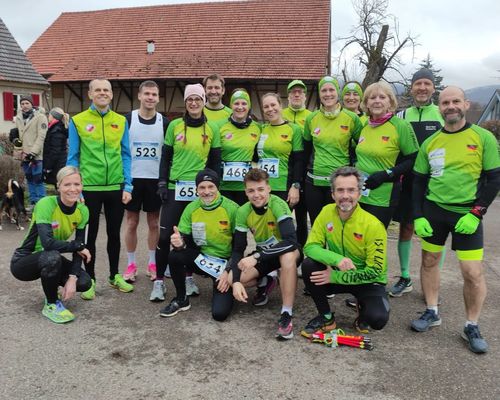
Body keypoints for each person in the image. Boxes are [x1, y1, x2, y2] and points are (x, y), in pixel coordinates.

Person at [410, 86, 500, 354]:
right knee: (429, 261)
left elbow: (494, 178)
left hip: (467, 213)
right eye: (445, 102)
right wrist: (418, 216)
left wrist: (477, 212)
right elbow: (418, 182)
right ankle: (431, 311)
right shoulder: (431, 142)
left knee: (472, 272)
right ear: (439, 107)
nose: (451, 106)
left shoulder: (483, 138)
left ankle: (471, 325)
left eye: (455, 101)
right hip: (434, 211)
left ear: (465, 104)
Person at [301, 166, 389, 337]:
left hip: (367, 280)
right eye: (340, 190)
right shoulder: (327, 211)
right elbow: (310, 247)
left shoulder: (373, 225)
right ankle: (326, 318)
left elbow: (375, 271)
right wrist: (337, 260)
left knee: (377, 319)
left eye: (351, 190)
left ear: (359, 193)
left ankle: (362, 308)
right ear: (333, 194)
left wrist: (335, 276)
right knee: (309, 265)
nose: (345, 196)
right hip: (337, 271)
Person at [153, 84, 221, 301]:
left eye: (197, 99)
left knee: (192, 237)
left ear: (203, 101)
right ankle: (159, 282)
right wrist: (162, 183)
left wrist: (212, 187)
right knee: (165, 237)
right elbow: (165, 157)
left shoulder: (212, 129)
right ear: (185, 102)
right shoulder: (174, 125)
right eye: (190, 99)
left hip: (199, 190)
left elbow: (215, 163)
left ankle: (189, 277)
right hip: (175, 187)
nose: (194, 103)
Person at [67, 78, 134, 299]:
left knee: (114, 234)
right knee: (90, 236)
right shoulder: (77, 121)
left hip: (116, 186)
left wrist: (128, 185)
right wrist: (76, 189)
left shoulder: (121, 121)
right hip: (90, 189)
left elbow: (126, 155)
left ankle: (114, 275)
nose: (102, 93)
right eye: (98, 90)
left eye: (106, 90)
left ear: (112, 94)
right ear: (90, 94)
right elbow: (73, 157)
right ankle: (91, 279)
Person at [10, 166, 92, 323]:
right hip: (24, 261)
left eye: (77, 184)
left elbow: (79, 248)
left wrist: (73, 278)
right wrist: (78, 246)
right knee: (52, 256)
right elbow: (48, 243)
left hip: (50, 257)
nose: (73, 189)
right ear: (58, 186)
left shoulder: (83, 211)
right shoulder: (46, 204)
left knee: (84, 282)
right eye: (67, 184)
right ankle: (51, 303)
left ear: (82, 186)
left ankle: (53, 285)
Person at [389, 68, 445, 297]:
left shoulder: (441, 113)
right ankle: (405, 277)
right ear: (411, 88)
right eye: (418, 84)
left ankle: (433, 284)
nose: (422, 88)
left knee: (434, 234)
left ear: (433, 88)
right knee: (406, 228)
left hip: (435, 183)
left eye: (426, 83)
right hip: (409, 183)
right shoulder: (402, 116)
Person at [229, 168, 301, 340]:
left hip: (286, 252)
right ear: (245, 192)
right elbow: (238, 249)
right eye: (251, 191)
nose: (256, 195)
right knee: (232, 279)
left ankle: (286, 314)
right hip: (265, 256)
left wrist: (256, 257)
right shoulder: (243, 211)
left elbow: (291, 241)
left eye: (260, 189)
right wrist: (237, 281)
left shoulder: (278, 204)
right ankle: (267, 280)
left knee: (288, 257)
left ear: (268, 188)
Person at [159, 169, 239, 320]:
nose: (206, 191)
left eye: (211, 187)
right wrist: (179, 243)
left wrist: (229, 271)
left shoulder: (232, 209)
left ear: (217, 188)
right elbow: (183, 244)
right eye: (202, 187)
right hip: (201, 259)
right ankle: (181, 299)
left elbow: (239, 247)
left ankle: (230, 287)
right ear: (196, 189)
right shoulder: (191, 208)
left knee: (220, 314)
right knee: (175, 255)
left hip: (224, 265)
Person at [121, 81, 169, 289]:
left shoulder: (164, 122)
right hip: (133, 179)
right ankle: (131, 264)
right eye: (147, 94)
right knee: (131, 222)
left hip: (154, 179)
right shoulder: (128, 119)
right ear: (139, 96)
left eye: (154, 94)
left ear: (158, 98)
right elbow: (121, 150)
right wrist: (125, 181)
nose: (150, 97)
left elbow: (168, 155)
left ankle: (152, 263)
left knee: (153, 223)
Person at [355, 81, 419, 228]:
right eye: (372, 98)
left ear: (390, 102)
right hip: (359, 193)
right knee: (356, 239)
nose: (377, 101)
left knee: (374, 240)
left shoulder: (400, 126)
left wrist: (385, 174)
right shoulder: (366, 126)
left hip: (383, 195)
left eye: (382, 97)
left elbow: (413, 159)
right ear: (366, 103)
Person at [303, 76, 363, 224]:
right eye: (324, 90)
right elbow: (306, 149)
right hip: (314, 182)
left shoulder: (351, 118)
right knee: (318, 225)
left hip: (340, 184)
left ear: (337, 93)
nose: (327, 94)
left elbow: (361, 147)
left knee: (338, 225)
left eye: (331, 90)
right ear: (319, 93)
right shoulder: (311, 118)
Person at [258, 93, 304, 207]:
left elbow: (299, 161)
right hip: (262, 186)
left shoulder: (294, 129)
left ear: (280, 106)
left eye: (273, 105)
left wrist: (295, 186)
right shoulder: (261, 129)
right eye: (266, 106)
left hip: (284, 187)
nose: (270, 109)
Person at [281, 79, 311, 249]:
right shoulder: (281, 113)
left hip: (304, 171)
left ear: (305, 96)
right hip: (284, 173)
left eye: (300, 92)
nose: (297, 94)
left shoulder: (311, 116)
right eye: (293, 92)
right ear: (289, 96)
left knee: (301, 218)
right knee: (282, 216)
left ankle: (299, 254)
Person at [219, 89, 261, 205]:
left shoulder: (257, 128)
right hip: (224, 186)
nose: (240, 107)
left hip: (247, 187)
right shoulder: (220, 126)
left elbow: (259, 156)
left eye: (244, 103)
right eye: (236, 103)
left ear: (249, 106)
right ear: (231, 106)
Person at [14, 95, 48, 206]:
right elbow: (21, 135)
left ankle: (41, 203)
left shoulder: (40, 117)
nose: (24, 106)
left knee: (38, 180)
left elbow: (41, 136)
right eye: (22, 104)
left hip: (36, 155)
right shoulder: (19, 117)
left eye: (27, 103)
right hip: (23, 154)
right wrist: (15, 140)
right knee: (29, 179)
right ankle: (33, 202)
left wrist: (33, 153)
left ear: (31, 104)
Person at [43, 107, 69, 189]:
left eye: (49, 115)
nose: (48, 117)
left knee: (59, 185)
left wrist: (48, 166)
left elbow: (55, 151)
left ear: (53, 116)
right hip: (58, 162)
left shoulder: (56, 130)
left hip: (57, 163)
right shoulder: (55, 128)